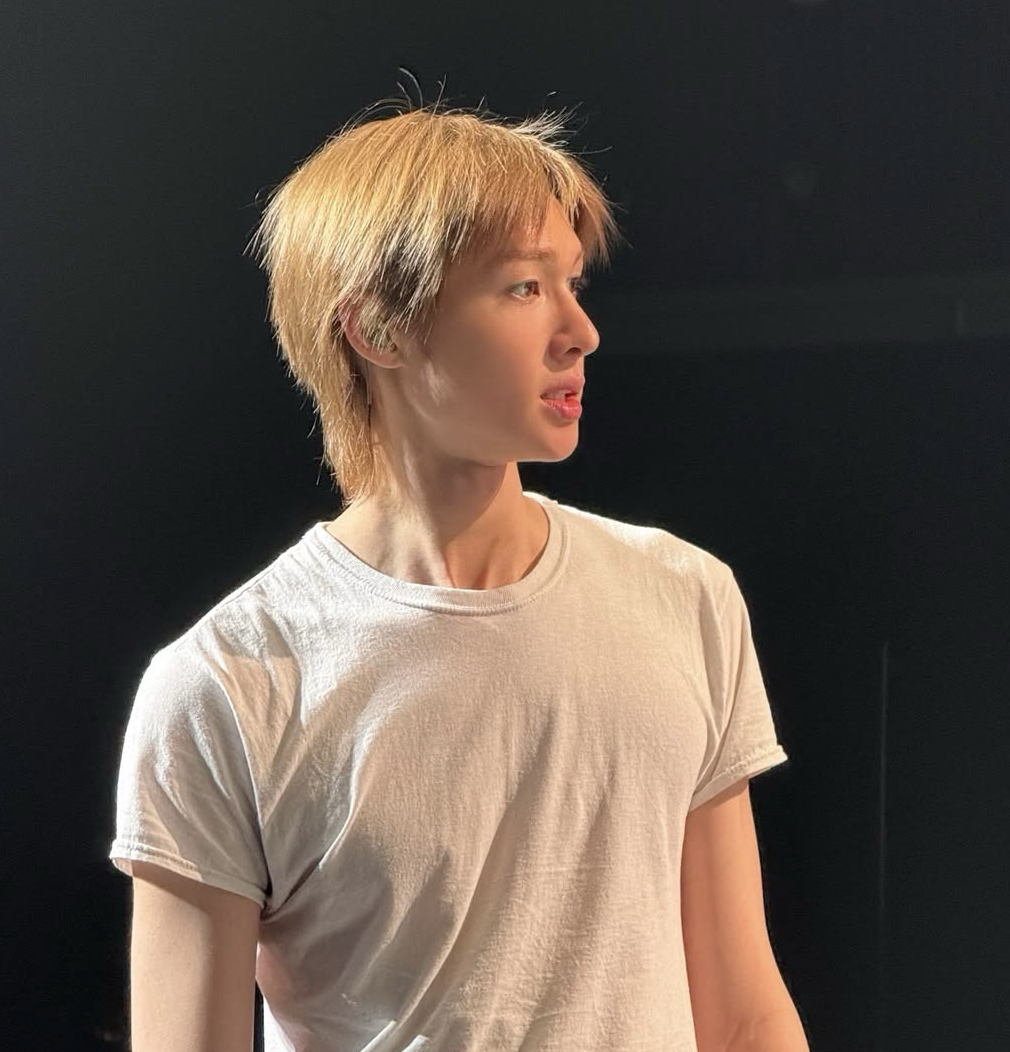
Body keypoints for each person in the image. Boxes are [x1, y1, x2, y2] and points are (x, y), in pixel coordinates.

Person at [110, 98, 805, 1052]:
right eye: (523, 287)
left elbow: (744, 1016)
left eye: (572, 283)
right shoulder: (226, 684)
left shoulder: (685, 597)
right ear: (377, 328)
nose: (580, 331)